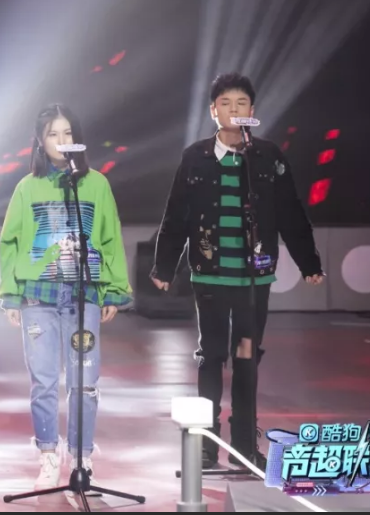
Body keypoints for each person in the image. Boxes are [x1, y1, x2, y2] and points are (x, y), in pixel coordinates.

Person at [151, 72, 324, 470]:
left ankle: (244, 445)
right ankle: (206, 444)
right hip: (210, 278)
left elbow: (291, 211)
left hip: (252, 282)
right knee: (211, 356)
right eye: (225, 103)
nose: (233, 110)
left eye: (241, 103)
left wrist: (309, 262)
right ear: (213, 111)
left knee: (246, 357)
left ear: (252, 111)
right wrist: (164, 266)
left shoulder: (267, 157)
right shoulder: (195, 157)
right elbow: (176, 214)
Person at [0, 104, 133, 490]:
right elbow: (10, 242)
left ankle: (81, 457)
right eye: (53, 134)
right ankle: (47, 454)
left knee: (84, 382)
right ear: (40, 142)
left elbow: (110, 237)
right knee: (43, 381)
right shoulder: (27, 187)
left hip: (82, 296)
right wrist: (11, 294)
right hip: (38, 298)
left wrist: (114, 290)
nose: (62, 140)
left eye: (68, 133)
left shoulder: (96, 184)